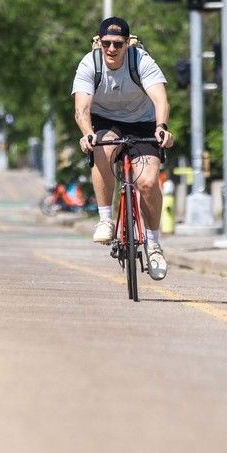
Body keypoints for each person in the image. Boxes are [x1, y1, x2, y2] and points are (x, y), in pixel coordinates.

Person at [71, 16, 175, 280]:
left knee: (149, 183)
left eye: (118, 43)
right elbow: (82, 109)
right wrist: (88, 134)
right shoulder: (89, 64)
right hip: (106, 121)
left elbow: (161, 99)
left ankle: (153, 245)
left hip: (142, 122)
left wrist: (161, 127)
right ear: (99, 42)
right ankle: (106, 218)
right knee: (101, 150)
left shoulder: (140, 61)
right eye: (106, 43)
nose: (112, 49)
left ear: (127, 43)